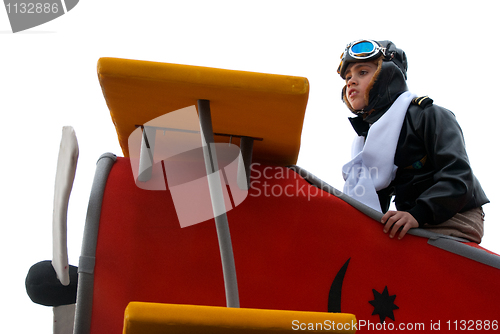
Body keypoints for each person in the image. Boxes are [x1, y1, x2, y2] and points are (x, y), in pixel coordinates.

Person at [338, 40, 489, 242]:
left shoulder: (429, 115)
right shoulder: (369, 140)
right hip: (411, 221)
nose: (351, 81)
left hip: (453, 217)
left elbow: (459, 176)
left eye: (362, 72)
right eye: (348, 77)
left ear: (388, 74)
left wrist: (418, 213)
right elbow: (375, 199)